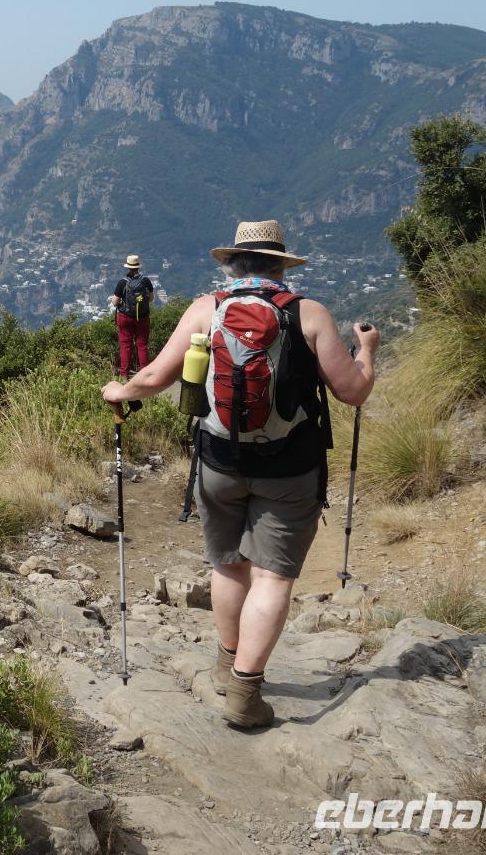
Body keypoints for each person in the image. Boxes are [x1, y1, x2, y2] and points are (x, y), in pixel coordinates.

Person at [100, 220, 378, 729]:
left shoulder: (206, 309)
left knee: (228, 566)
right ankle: (246, 695)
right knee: (272, 576)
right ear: (280, 266)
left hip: (219, 462)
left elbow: (156, 377)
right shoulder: (308, 313)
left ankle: (227, 665)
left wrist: (118, 392)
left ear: (231, 263)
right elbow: (353, 392)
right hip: (290, 466)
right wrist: (368, 350)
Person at [107, 253, 156, 380]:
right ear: (138, 267)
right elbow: (151, 299)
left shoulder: (123, 282)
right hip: (143, 317)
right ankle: (144, 374)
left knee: (125, 345)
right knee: (142, 344)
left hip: (125, 317)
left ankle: (124, 374)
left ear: (128, 268)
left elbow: (115, 302)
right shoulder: (146, 281)